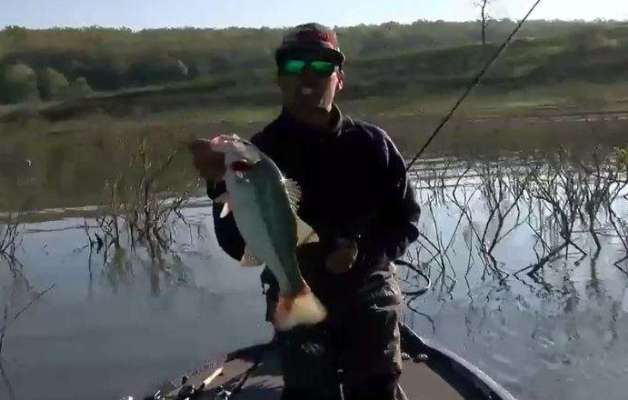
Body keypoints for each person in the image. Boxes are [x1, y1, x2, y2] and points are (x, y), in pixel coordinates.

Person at [191, 22, 420, 400]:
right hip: (293, 291)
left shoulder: (372, 144)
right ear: (280, 79)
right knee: (309, 393)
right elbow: (235, 244)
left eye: (322, 65)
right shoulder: (255, 155)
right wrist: (218, 185)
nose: (308, 76)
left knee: (376, 387)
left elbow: (404, 222)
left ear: (339, 79)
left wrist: (361, 250)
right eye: (295, 65)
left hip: (368, 290)